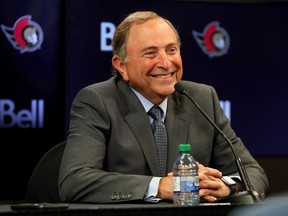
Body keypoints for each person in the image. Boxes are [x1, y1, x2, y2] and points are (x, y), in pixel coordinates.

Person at [58, 11, 268, 203]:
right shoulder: (97, 101)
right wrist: (159, 186)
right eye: (150, 53)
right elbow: (74, 180)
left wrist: (225, 186)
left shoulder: (202, 98)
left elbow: (252, 172)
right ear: (122, 66)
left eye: (171, 50)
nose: (166, 63)